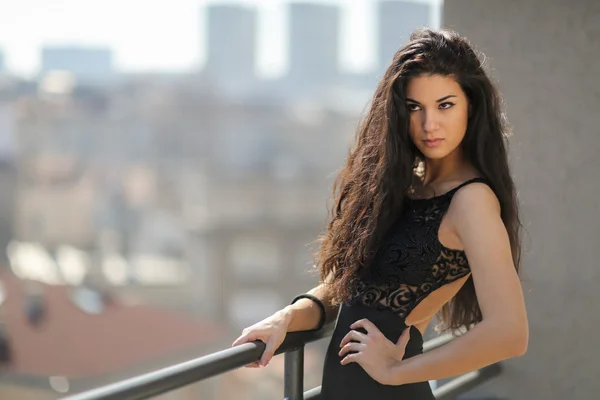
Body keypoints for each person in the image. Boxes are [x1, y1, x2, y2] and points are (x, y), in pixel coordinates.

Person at [232, 28, 529, 399]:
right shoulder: (405, 186)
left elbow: (510, 333)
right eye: (414, 107)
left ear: (472, 105)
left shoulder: (472, 201)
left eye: (445, 105)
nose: (429, 124)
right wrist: (285, 318)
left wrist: (396, 370)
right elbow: (352, 290)